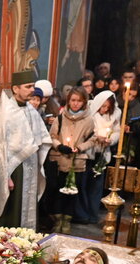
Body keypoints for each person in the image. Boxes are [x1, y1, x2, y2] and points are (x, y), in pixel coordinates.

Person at [0, 70, 52, 230]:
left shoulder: (31, 110)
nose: (32, 90)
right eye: (28, 86)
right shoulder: (6, 111)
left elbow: (42, 137)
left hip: (31, 166)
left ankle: (26, 240)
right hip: (15, 169)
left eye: (33, 86)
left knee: (28, 206)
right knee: (13, 209)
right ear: (16, 89)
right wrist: (6, 176)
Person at [44, 86, 94, 234]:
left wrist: (80, 147)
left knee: (72, 192)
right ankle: (57, 219)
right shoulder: (61, 117)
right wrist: (59, 146)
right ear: (68, 101)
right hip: (60, 159)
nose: (75, 103)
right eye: (73, 100)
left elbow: (92, 139)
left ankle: (67, 220)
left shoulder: (88, 120)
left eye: (79, 101)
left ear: (84, 102)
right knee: (58, 190)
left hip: (77, 161)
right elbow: (52, 136)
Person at [75, 90, 120, 225]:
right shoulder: (89, 112)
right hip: (88, 153)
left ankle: (93, 214)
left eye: (107, 107)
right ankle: (83, 214)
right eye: (103, 106)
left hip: (102, 153)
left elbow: (117, 131)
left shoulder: (114, 116)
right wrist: (96, 137)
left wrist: (110, 139)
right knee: (83, 184)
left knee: (96, 186)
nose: (104, 109)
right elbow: (85, 129)